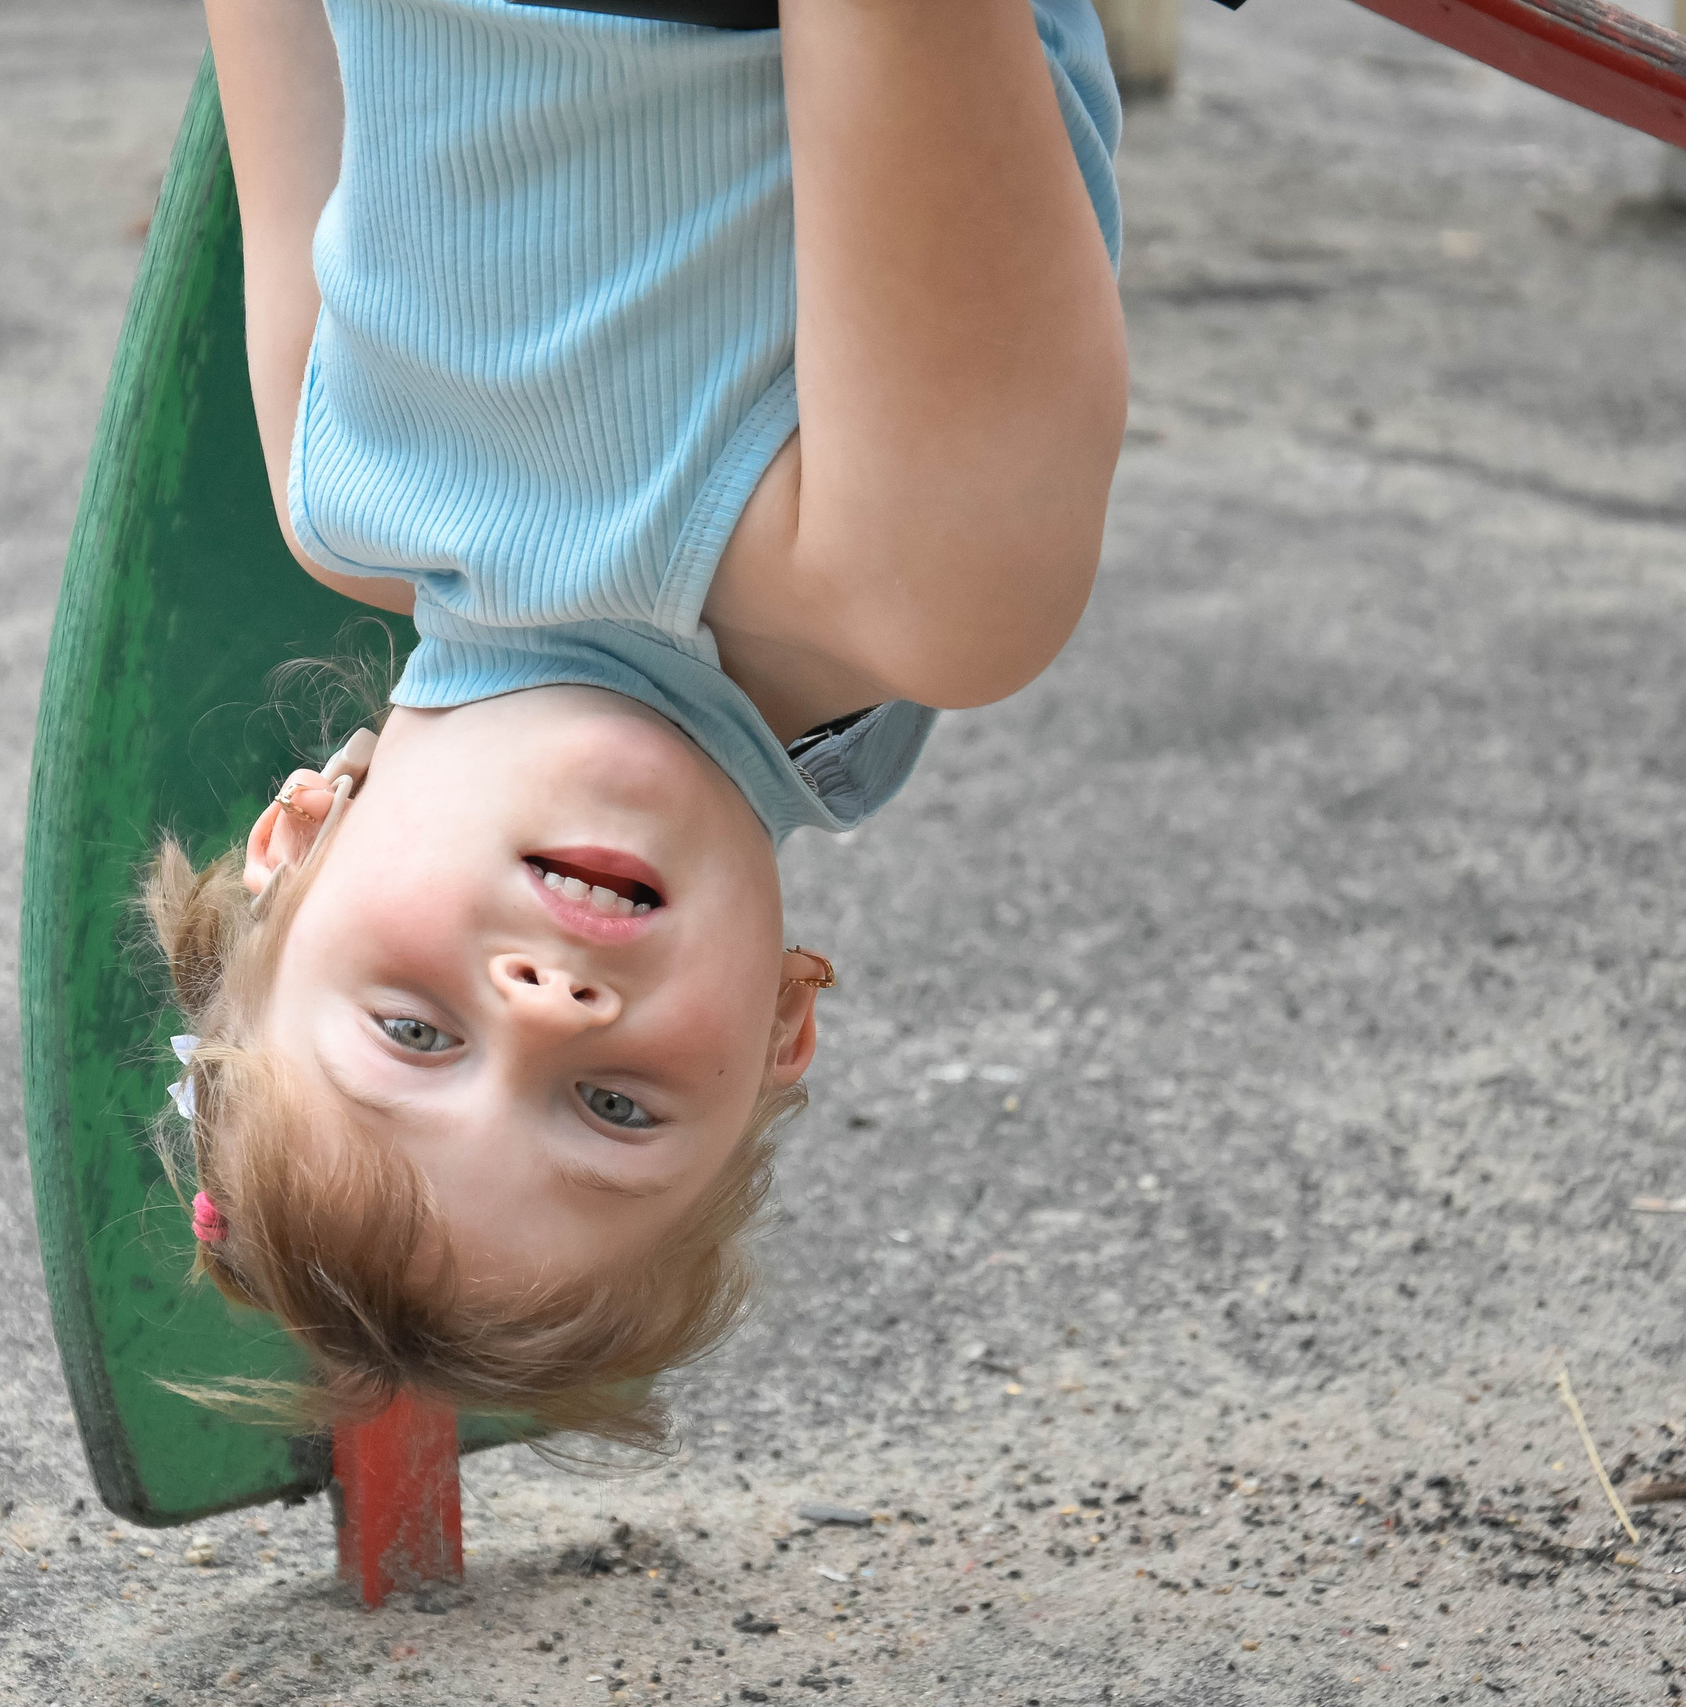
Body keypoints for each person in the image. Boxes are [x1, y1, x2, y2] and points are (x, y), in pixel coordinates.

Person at [148, 0, 1128, 1444]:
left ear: (296, 837)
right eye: (615, 1111)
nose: (549, 1010)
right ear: (784, 1028)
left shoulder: (332, 487)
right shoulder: (921, 579)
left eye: (415, 1032)